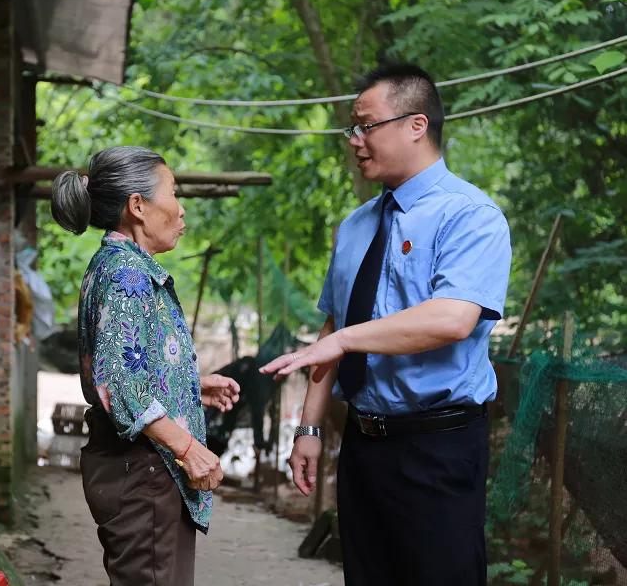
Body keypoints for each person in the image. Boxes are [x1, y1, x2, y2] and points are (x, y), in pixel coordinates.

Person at [262, 64, 512, 586]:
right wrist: (309, 429)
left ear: (416, 125)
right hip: (362, 445)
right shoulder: (355, 226)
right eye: (352, 129)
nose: (355, 140)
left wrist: (346, 339)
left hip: (438, 445)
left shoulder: (470, 215)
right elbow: (333, 326)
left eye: (366, 125)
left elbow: (452, 318)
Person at [50, 146, 241, 585]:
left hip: (143, 473)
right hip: (147, 473)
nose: (180, 207)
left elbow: (126, 363)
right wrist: (190, 450)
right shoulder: (127, 274)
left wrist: (190, 384)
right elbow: (120, 385)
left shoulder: (122, 265)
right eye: (172, 192)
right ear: (138, 206)